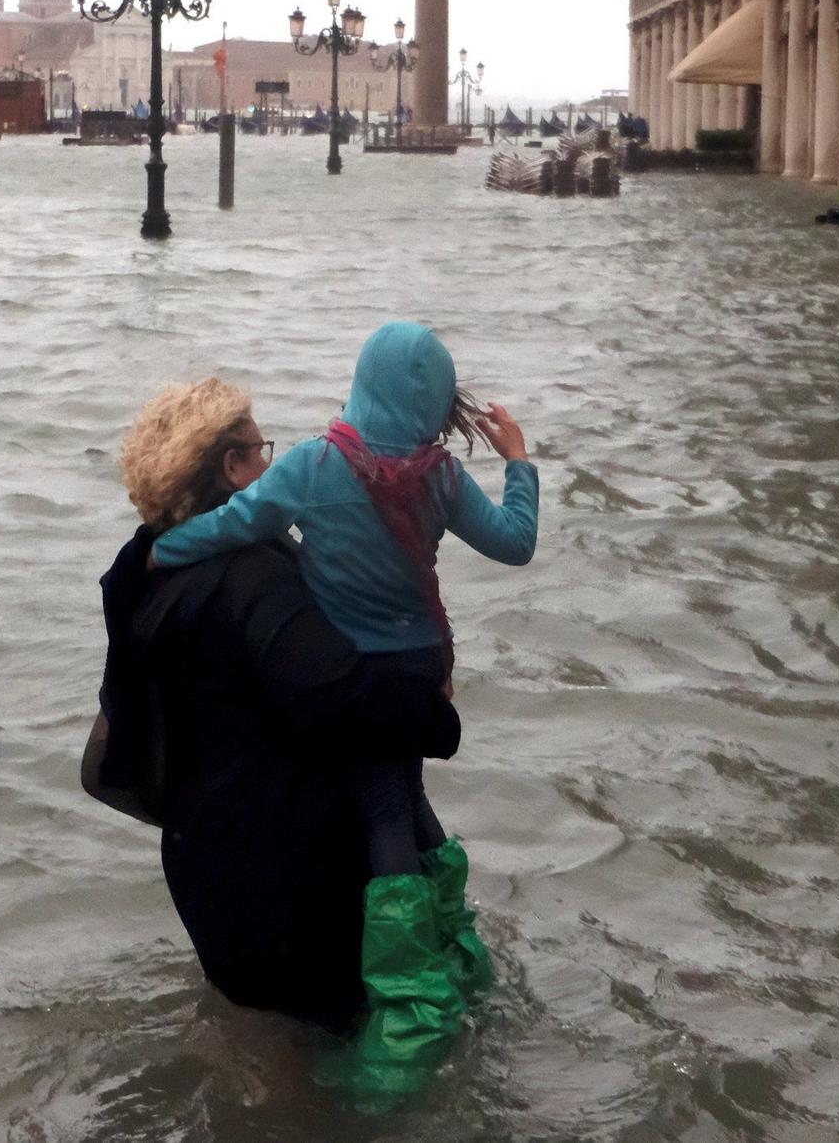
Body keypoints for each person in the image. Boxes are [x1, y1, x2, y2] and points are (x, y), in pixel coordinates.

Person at [148, 321, 537, 1092]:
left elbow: (239, 521)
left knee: (385, 807)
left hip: (363, 675)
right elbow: (515, 542)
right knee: (411, 799)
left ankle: (407, 1003)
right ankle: (459, 948)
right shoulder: (442, 479)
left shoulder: (315, 466)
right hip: (426, 664)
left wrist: (162, 551)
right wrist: (519, 464)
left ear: (362, 385)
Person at [86, 378, 461, 1034]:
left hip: (203, 865)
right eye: (261, 451)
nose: (271, 465)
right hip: (288, 881)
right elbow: (341, 693)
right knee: (339, 1060)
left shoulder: (143, 568)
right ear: (232, 468)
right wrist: (436, 713)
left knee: (263, 1052)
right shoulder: (251, 576)